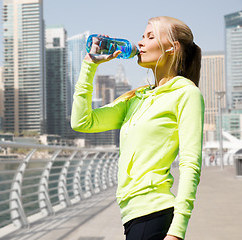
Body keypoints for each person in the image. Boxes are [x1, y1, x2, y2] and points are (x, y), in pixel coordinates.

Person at [71, 16, 204, 240]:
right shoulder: (136, 98)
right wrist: (89, 65)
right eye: (142, 36)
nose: (140, 43)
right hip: (132, 216)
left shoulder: (186, 93)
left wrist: (177, 231)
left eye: (150, 37)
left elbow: (190, 164)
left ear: (173, 48)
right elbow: (82, 121)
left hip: (154, 214)